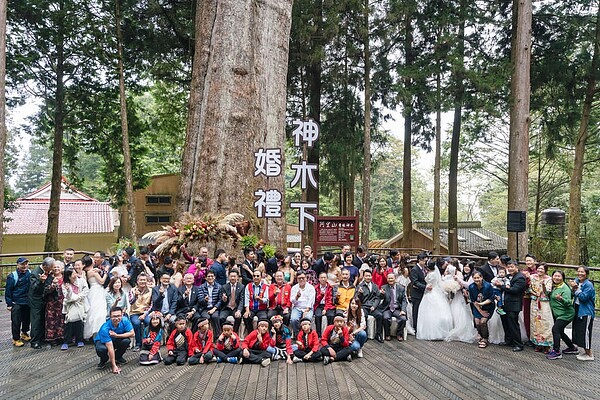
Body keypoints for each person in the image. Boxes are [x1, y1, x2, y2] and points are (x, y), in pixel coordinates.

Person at [416, 262, 452, 341]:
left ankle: (432, 332)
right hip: (435, 291)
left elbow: (430, 283)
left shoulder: (431, 274)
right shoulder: (434, 273)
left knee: (430, 312)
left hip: (430, 292)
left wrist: (427, 285)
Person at [497, 260, 527, 352]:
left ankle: (518, 344)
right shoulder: (507, 276)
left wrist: (501, 286)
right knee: (505, 323)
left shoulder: (520, 278)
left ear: (516, 267)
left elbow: (514, 290)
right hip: (504, 303)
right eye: (508, 267)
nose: (510, 269)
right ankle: (508, 340)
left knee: (513, 324)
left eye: (512, 267)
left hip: (514, 304)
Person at [546, 270, 577, 360]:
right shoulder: (553, 286)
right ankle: (572, 347)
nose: (556, 278)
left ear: (563, 278)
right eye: (555, 276)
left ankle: (556, 351)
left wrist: (561, 299)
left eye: (559, 276)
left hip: (566, 314)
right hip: (558, 314)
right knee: (560, 331)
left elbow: (568, 302)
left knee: (555, 329)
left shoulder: (564, 288)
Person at [95, 306, 134, 374]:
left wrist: (117, 335)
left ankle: (118, 357)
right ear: (110, 317)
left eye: (118, 316)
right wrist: (114, 366)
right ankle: (104, 360)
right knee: (101, 349)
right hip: (103, 342)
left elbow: (132, 334)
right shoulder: (105, 328)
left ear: (122, 315)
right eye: (114, 316)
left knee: (126, 341)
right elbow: (110, 347)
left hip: (116, 338)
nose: (116, 318)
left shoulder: (125, 320)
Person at [444, 263, 478, 343]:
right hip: (459, 296)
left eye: (468, 267)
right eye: (465, 266)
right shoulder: (463, 274)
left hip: (465, 297)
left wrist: (458, 285)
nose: (466, 268)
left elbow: (467, 285)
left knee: (461, 311)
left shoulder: (467, 276)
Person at [29, 257, 56, 349]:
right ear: (45, 266)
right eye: (51, 267)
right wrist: (41, 281)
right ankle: (34, 341)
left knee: (43, 319)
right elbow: (34, 288)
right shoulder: (35, 273)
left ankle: (42, 338)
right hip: (36, 300)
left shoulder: (49, 272)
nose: (53, 269)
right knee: (36, 320)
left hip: (45, 299)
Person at [570, 266, 595, 361]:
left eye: (582, 272)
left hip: (586, 311)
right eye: (579, 271)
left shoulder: (589, 285)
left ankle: (590, 354)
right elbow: (573, 294)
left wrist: (576, 289)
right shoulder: (576, 281)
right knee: (579, 331)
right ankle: (585, 352)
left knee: (585, 332)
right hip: (577, 309)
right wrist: (573, 288)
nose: (580, 274)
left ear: (586, 274)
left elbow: (584, 298)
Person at [6, 257, 32, 347]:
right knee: (16, 321)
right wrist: (9, 304)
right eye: (22, 264)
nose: (24, 266)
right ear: (18, 265)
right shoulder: (13, 276)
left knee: (27, 319)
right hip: (16, 302)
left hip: (27, 301)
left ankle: (24, 333)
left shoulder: (30, 273)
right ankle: (16, 338)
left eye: (26, 264)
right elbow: (8, 291)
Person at [61, 267, 89, 350]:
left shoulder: (82, 281)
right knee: (68, 323)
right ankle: (66, 341)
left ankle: (79, 340)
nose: (75, 275)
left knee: (79, 323)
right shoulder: (65, 284)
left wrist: (78, 297)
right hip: (70, 305)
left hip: (80, 303)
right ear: (69, 276)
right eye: (73, 273)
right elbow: (68, 297)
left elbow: (86, 290)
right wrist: (69, 290)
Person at [529, 263, 553, 352]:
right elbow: (529, 288)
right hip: (534, 301)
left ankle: (547, 344)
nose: (540, 270)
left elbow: (547, 292)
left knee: (545, 322)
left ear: (545, 270)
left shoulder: (548, 279)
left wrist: (543, 285)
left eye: (542, 269)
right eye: (538, 268)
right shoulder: (532, 277)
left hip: (544, 303)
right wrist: (535, 293)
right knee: (535, 322)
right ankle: (537, 343)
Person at [468, 271, 496, 348]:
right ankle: (481, 335)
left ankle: (485, 339)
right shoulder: (471, 287)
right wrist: (480, 310)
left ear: (481, 277)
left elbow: (491, 298)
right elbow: (473, 300)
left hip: (488, 306)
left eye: (478, 277)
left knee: (483, 322)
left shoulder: (488, 286)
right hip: (477, 307)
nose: (477, 279)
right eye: (475, 278)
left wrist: (482, 304)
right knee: (477, 322)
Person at [84, 255, 108, 340]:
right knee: (99, 311)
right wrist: (106, 273)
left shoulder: (87, 271)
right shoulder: (93, 271)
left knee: (92, 311)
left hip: (92, 290)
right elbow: (101, 281)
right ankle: (97, 331)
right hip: (98, 290)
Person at [356, 269, 383, 342]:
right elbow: (357, 300)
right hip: (364, 306)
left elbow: (378, 298)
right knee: (364, 316)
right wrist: (360, 294)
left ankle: (378, 334)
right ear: (364, 277)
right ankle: (365, 334)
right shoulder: (359, 286)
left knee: (380, 315)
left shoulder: (375, 286)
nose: (368, 277)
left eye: (369, 276)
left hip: (373, 306)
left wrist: (374, 306)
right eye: (366, 276)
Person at [379, 272, 408, 341]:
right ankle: (387, 334)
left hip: (397, 309)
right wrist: (381, 294)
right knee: (385, 317)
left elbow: (404, 300)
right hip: (387, 308)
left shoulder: (401, 288)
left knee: (403, 318)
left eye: (392, 278)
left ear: (395, 279)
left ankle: (399, 334)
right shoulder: (384, 287)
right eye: (389, 278)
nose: (390, 280)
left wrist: (403, 310)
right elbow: (380, 298)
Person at [129, 273, 152, 351]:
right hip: (134, 312)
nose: (143, 282)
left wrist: (145, 314)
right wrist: (135, 296)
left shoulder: (151, 290)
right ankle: (138, 344)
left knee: (149, 321)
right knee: (136, 323)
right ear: (137, 281)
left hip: (146, 312)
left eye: (144, 280)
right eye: (141, 280)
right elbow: (131, 302)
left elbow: (151, 305)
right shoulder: (132, 290)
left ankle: (147, 342)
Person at [243, 269, 269, 336]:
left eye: (258, 276)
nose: (256, 277)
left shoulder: (265, 287)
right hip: (251, 309)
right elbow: (246, 299)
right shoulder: (248, 286)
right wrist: (247, 310)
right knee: (246, 317)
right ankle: (251, 334)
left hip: (261, 309)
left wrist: (260, 299)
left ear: (261, 277)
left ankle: (261, 335)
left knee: (263, 320)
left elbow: (266, 300)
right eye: (254, 276)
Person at [44, 261, 65, 345]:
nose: (56, 269)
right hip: (51, 302)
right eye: (54, 267)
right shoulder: (49, 277)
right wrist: (53, 285)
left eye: (58, 267)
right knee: (51, 319)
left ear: (61, 268)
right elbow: (45, 290)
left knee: (61, 319)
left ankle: (61, 337)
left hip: (62, 302)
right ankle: (52, 338)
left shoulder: (65, 277)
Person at [290, 271, 316, 336]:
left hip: (308, 308)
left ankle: (307, 335)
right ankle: (297, 335)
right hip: (297, 307)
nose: (301, 279)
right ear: (297, 279)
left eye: (303, 278)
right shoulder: (294, 288)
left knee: (307, 319)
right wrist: (296, 297)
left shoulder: (311, 288)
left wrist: (306, 310)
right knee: (293, 319)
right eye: (299, 278)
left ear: (306, 278)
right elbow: (292, 301)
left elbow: (311, 300)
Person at [197, 270, 222, 336]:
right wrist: (205, 300)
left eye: (212, 276)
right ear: (205, 278)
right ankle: (205, 337)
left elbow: (220, 300)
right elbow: (200, 300)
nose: (210, 278)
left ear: (214, 277)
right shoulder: (201, 287)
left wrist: (214, 308)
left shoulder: (219, 287)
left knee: (215, 317)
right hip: (204, 308)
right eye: (208, 276)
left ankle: (217, 337)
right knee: (206, 318)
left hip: (214, 308)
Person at [219, 269, 245, 333]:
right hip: (227, 308)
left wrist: (239, 310)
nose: (233, 278)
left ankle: (234, 333)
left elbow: (242, 300)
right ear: (228, 277)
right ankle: (224, 333)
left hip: (236, 308)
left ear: (237, 277)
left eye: (234, 276)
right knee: (221, 317)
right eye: (231, 276)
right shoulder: (224, 287)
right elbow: (221, 301)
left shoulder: (241, 287)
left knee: (238, 317)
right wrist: (224, 300)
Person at [409, 252, 428, 334]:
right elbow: (415, 282)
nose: (425, 262)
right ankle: (416, 327)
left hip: (424, 293)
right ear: (420, 260)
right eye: (424, 261)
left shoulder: (424, 269)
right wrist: (425, 287)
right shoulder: (414, 269)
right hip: (416, 293)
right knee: (416, 311)